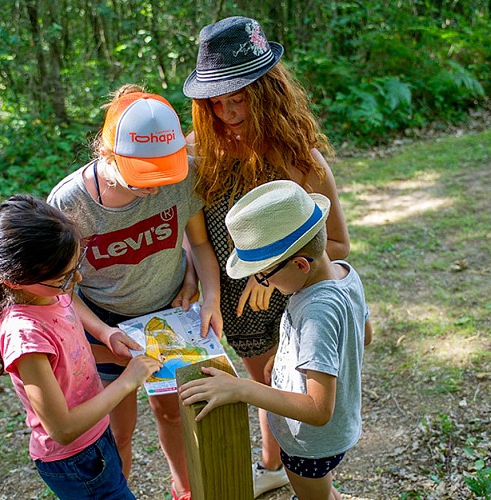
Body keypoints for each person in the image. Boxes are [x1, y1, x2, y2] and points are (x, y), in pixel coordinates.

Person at [183, 16, 350, 497]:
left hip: (291, 296)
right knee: (262, 380)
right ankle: (272, 464)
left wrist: (268, 273)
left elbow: (336, 247)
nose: (229, 114)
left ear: (267, 91)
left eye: (240, 99)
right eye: (216, 102)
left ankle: (299, 470)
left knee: (289, 391)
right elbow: (198, 239)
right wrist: (194, 281)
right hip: (236, 305)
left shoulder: (300, 158)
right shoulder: (199, 154)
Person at [48, 85, 222, 500]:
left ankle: (186, 492)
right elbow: (62, 290)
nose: (154, 189)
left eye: (164, 176)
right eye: (144, 177)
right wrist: (104, 333)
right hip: (105, 323)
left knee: (172, 412)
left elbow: (198, 242)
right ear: (108, 153)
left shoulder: (184, 177)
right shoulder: (68, 205)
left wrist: (207, 293)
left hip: (170, 314)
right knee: (115, 429)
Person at [180, 180, 373, 500]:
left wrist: (241, 388)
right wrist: (286, 357)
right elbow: (364, 335)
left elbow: (317, 409)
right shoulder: (343, 273)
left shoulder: (316, 311)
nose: (262, 282)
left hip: (309, 445)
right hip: (331, 435)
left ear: (299, 264)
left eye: (264, 275)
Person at [0, 194, 162, 499]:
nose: (77, 279)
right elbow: (62, 428)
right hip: (76, 460)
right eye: (63, 276)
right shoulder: (24, 336)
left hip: (96, 435)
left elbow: (70, 355)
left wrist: (112, 353)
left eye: (76, 266)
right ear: (16, 280)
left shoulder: (51, 295)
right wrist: (127, 381)